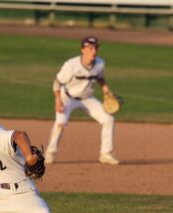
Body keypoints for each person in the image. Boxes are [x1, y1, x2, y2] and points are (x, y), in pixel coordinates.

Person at [45, 35, 120, 165]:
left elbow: (100, 78)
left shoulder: (100, 64)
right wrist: (58, 100)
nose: (94, 51)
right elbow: (57, 83)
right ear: (82, 49)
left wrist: (105, 88)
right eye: (90, 48)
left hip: (87, 98)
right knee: (61, 123)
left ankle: (106, 153)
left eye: (95, 48)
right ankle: (50, 153)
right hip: (67, 97)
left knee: (109, 120)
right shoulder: (71, 65)